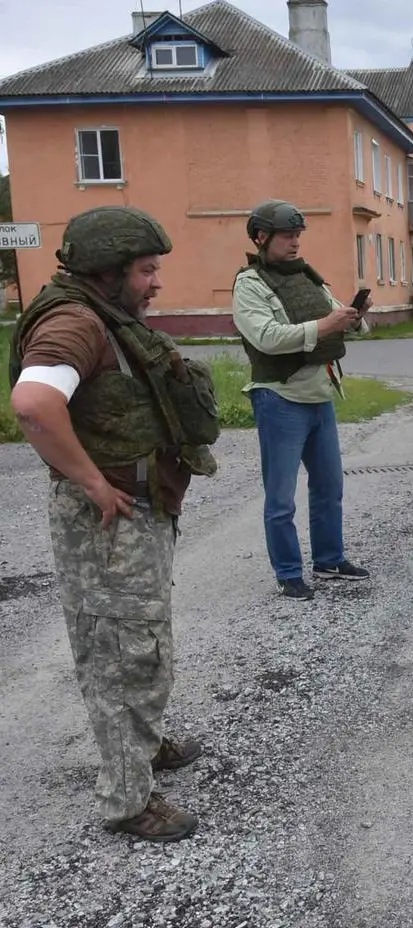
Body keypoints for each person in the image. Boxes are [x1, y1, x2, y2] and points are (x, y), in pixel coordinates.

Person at [8, 205, 222, 842]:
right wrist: (94, 482)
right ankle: (129, 801)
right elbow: (33, 403)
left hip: (138, 512)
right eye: (147, 270)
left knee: (137, 642)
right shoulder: (75, 321)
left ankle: (144, 747)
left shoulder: (104, 316)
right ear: (109, 272)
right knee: (124, 655)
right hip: (110, 520)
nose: (156, 282)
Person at [232, 199, 371, 600]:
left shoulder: (308, 276)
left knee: (329, 486)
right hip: (280, 397)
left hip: (319, 393)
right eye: (287, 235)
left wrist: (354, 318)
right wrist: (327, 324)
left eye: (297, 235)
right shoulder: (250, 284)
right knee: (281, 496)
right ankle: (288, 572)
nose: (295, 242)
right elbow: (267, 337)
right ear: (261, 237)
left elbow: (338, 319)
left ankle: (329, 558)